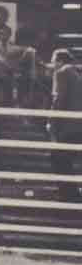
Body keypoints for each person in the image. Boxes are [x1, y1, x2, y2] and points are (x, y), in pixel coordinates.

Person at [47, 49, 82, 202]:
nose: (52, 64)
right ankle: (70, 191)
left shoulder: (61, 73)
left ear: (60, 61)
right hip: (76, 125)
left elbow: (58, 100)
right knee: (64, 158)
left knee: (58, 157)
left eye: (53, 60)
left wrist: (51, 121)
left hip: (66, 125)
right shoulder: (75, 73)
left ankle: (67, 193)